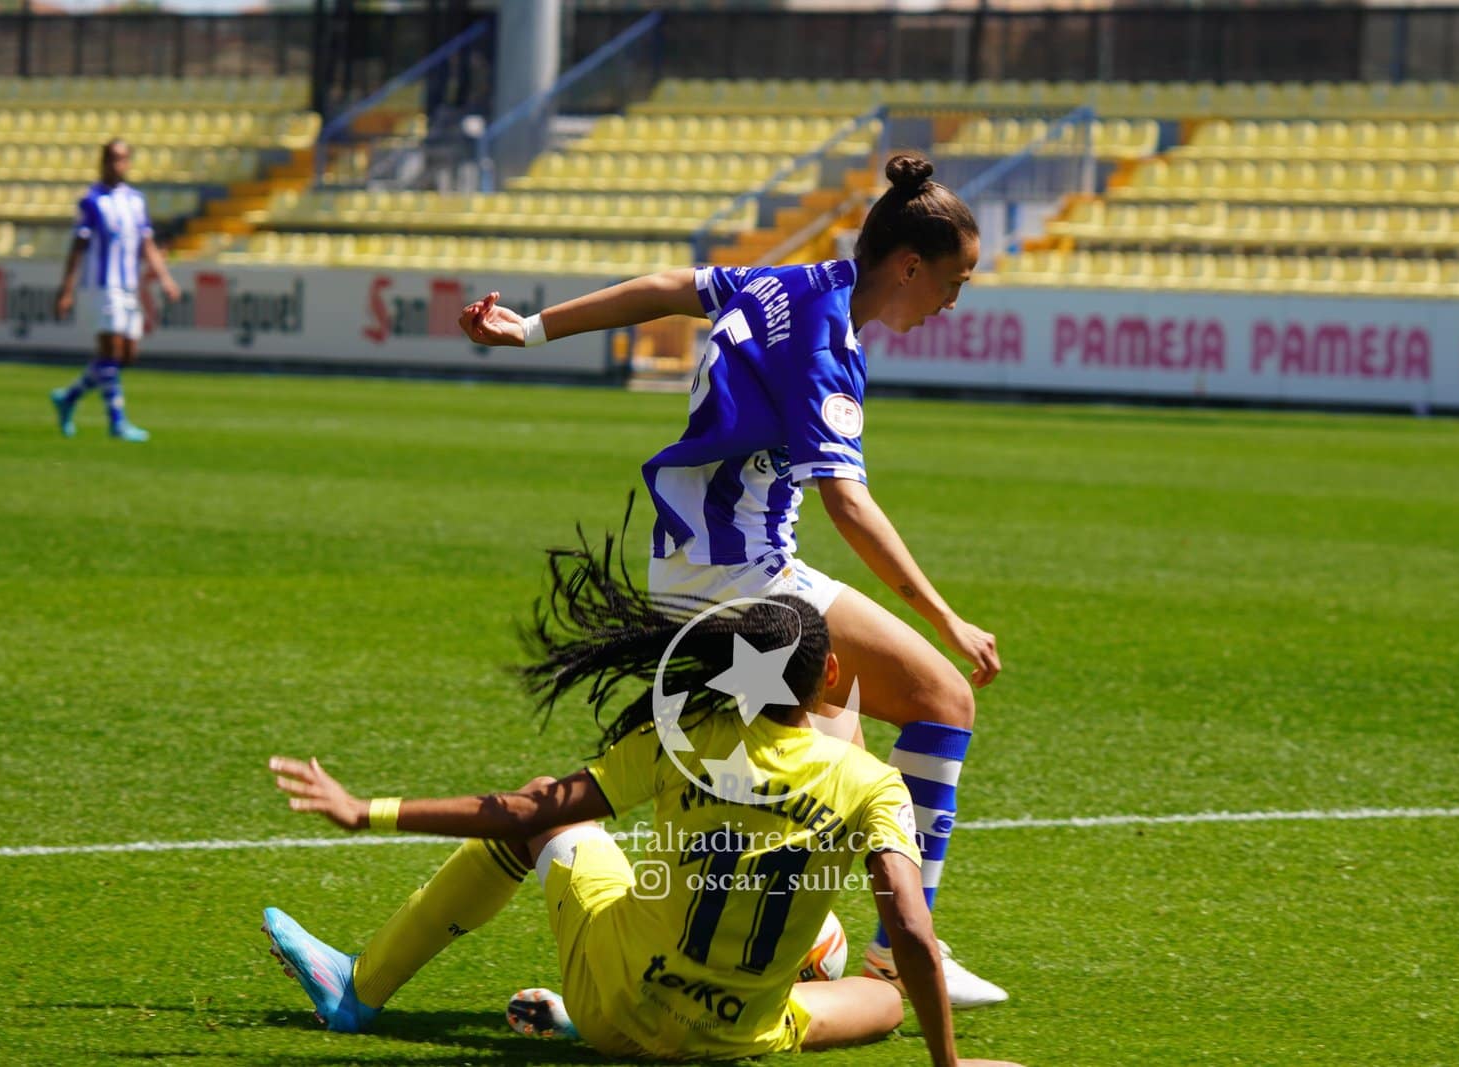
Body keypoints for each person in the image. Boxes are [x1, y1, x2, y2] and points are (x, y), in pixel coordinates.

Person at [455, 152, 1005, 1005]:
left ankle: (765, 953)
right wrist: (947, 618)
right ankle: (899, 953)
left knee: (835, 747)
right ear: (909, 266)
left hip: (693, 564)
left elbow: (667, 287)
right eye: (954, 281)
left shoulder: (794, 282)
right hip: (742, 578)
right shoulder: (827, 344)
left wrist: (529, 329)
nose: (953, 301)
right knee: (945, 699)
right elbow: (848, 504)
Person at [263, 547, 1020, 1065]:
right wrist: (949, 1064)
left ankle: (360, 987)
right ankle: (799, 972)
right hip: (734, 1038)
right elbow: (911, 931)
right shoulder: (871, 782)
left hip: (615, 1004)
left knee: (550, 814)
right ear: (830, 675)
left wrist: (368, 809)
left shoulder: (682, 737)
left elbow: (526, 808)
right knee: (884, 1000)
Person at [50, 139, 179, 443]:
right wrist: (67, 289)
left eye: (122, 159)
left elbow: (147, 244)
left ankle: (69, 397)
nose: (116, 164)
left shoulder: (135, 201)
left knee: (127, 354)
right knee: (110, 351)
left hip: (128, 286)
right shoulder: (92, 201)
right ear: (103, 162)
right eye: (111, 158)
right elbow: (78, 246)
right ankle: (117, 422)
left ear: (128, 163)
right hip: (102, 286)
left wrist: (165, 278)